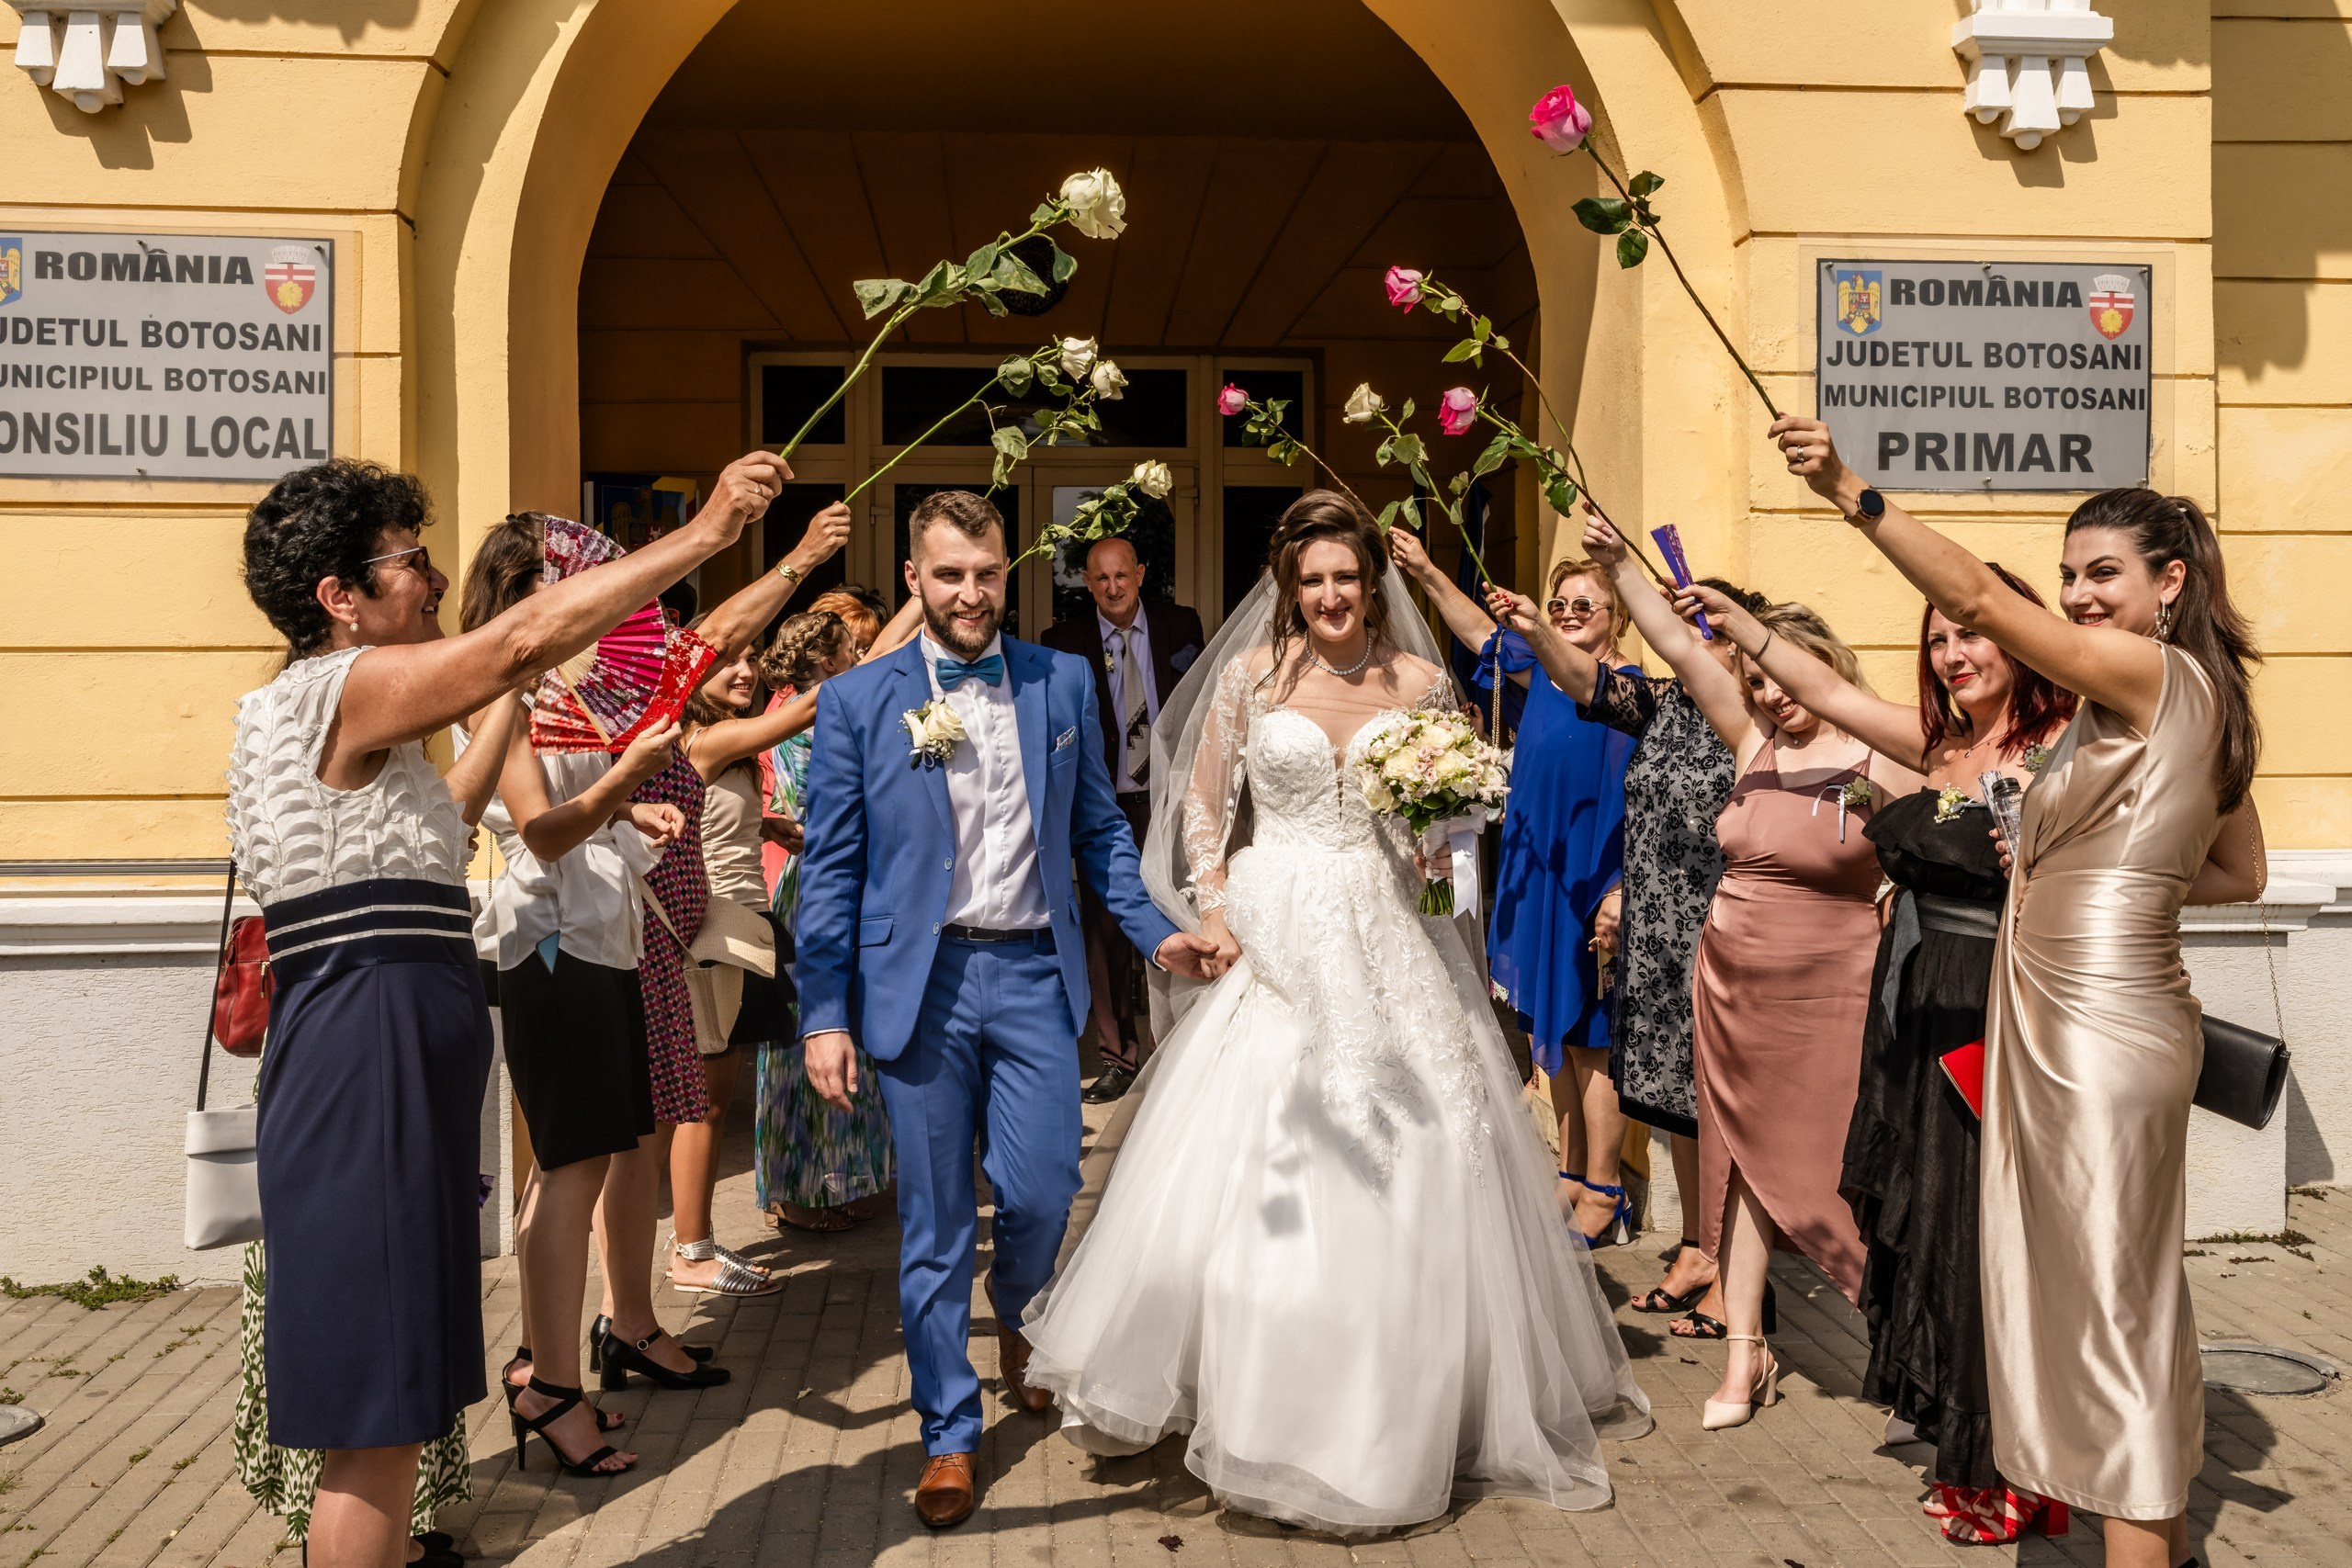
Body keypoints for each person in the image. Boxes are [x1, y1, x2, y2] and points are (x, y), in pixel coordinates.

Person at [1019, 492, 1651, 1537]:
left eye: (1345, 579)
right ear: (1288, 586)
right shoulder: (1250, 676)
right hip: (1276, 922)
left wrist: (1434, 857)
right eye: (1310, 581)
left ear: (1372, 584)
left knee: (1424, 1141)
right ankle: (1263, 1404)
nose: (1329, 597)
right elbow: (1204, 816)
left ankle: (1403, 1404)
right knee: (1269, 1147)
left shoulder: (1417, 684)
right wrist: (1218, 918)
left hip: (1387, 918)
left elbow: (1449, 843)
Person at [228, 450, 774, 1565]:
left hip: (381, 1042)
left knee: (394, 1390)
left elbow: (451, 813)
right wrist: (707, 533)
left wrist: (505, 714)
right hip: (368, 1046)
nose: (430, 582)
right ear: (340, 597)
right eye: (408, 562)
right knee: (374, 1415)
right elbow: (518, 639)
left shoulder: (323, 711)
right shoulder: (344, 685)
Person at [1771, 415, 2266, 1568]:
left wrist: (1850, 487)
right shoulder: (2138, 706)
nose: (2077, 597)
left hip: (2098, 1034)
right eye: (2067, 577)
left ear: (2169, 582)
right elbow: (2234, 871)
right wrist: (2097, 887)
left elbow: (1988, 610)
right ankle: (2161, 1545)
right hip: (2061, 1014)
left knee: (2109, 1317)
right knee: (2100, 1300)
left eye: (2102, 574)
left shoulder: (2154, 674)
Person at [793, 491, 1219, 1529]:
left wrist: (1157, 928)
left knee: (1040, 1191)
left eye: (985, 575)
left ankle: (1022, 1315)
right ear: (914, 581)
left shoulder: (1060, 680)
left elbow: (1098, 839)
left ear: (1006, 576)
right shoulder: (858, 701)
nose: (970, 594)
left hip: (1033, 975)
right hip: (918, 988)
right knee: (936, 1225)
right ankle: (948, 1431)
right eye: (948, 576)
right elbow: (832, 870)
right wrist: (822, 1013)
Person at [1679, 567, 2076, 1541]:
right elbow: (1825, 693)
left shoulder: (2065, 745)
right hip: (1921, 1003)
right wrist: (1734, 624)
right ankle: (1967, 1450)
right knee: (1939, 1230)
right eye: (1938, 638)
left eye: (1972, 634)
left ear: (2021, 640)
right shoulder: (1940, 747)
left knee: (2002, 1241)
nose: (1953, 654)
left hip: (2008, 1006)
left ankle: (2031, 1462)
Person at [1584, 510, 1919, 1427]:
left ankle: (1898, 1337)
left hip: (1832, 993)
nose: (1769, 697)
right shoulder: (1752, 746)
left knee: (1833, 1165)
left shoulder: (1879, 757)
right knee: (1733, 1173)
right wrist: (1623, 572)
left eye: (1782, 681)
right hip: (1729, 988)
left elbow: (1942, 847)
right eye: (1758, 684)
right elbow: (1685, 655)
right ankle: (1744, 1356)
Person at [592, 503, 853, 1382]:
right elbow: (809, 702)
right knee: (684, 1109)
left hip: (722, 929)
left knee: (695, 1100)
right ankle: (687, 1252)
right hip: (683, 935)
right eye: (723, 661)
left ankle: (643, 1293)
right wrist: (807, 558)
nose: (736, 668)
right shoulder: (692, 739)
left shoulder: (704, 751)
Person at [1477, 547, 1765, 1312]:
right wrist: (1539, 626)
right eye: (1690, 633)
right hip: (1660, 931)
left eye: (1715, 634)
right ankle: (1705, 1251)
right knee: (1679, 1097)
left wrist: (1623, 885)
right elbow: (1584, 684)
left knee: (1724, 1097)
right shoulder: (1663, 704)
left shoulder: (1761, 725)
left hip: (1722, 921)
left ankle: (1737, 1273)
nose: (1699, 646)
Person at [1389, 527, 1637, 1246]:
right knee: (1545, 1026)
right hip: (1538, 871)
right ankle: (1567, 1172)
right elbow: (1476, 632)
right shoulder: (1542, 672)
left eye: (1582, 604)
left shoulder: (1629, 687)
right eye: (1558, 604)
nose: (1565, 612)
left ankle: (1606, 1187)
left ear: (1616, 614)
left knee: (1592, 1038)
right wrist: (1430, 570)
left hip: (1594, 873)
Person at [1039, 536, 1205, 1102]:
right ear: (1088, 582)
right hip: (1104, 806)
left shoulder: (1181, 625)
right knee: (1106, 931)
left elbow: (1202, 706)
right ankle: (1119, 1057)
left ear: (1140, 574)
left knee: (1180, 915)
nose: (1113, 587)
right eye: (1100, 579)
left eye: (1122, 576)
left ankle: (1183, 1044)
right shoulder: (1062, 642)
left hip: (1170, 804)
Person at [752, 611, 899, 1234]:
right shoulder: (810, 712)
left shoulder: (790, 706)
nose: (862, 654)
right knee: (808, 1037)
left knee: (830, 1036)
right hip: (819, 882)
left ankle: (831, 1181)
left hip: (818, 877)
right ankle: (800, 1191)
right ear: (828, 660)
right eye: (852, 648)